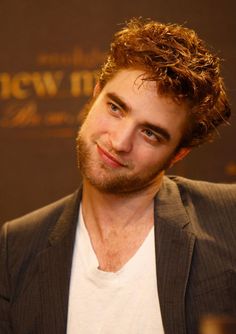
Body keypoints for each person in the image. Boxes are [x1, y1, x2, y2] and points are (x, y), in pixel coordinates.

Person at [0, 18, 235, 334]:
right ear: (96, 94)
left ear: (178, 153)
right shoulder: (15, 246)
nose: (120, 142)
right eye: (116, 108)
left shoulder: (229, 219)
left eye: (150, 133)